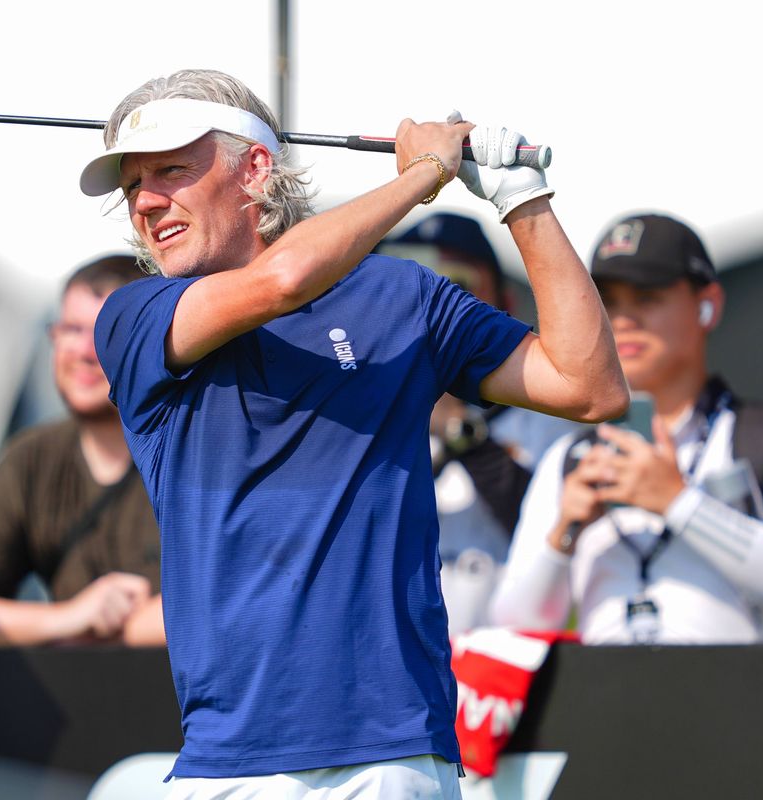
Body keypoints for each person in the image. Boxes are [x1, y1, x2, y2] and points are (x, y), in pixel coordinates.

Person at [83, 69, 626, 797]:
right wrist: (427, 175)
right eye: (133, 184)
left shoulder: (400, 296)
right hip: (226, 765)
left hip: (390, 756)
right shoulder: (135, 316)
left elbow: (589, 386)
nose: (147, 201)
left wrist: (522, 202)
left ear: (255, 168)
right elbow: (282, 282)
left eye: (171, 171)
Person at [490, 213, 763, 644]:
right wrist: (565, 532)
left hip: (744, 704)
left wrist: (679, 503)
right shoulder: (569, 457)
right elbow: (509, 630)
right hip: (603, 703)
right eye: (608, 300)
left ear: (708, 305)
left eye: (647, 296)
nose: (622, 319)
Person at [0, 255, 165, 648]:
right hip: (79, 703)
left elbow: (242, 601)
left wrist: (121, 630)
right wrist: (70, 618)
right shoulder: (35, 458)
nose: (82, 351)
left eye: (104, 332)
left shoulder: (193, 447)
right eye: (70, 329)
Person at [376, 213, 581, 635]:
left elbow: (551, 526)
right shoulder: (367, 409)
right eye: (413, 287)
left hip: (504, 663)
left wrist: (460, 431)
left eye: (456, 286)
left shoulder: (549, 415)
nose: (433, 308)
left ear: (505, 304)